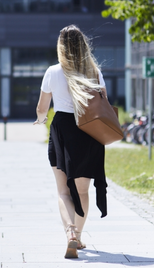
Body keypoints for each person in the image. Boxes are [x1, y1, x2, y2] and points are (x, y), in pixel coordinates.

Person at [34, 25, 108, 259]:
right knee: (83, 191)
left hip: (62, 130)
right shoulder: (94, 72)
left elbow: (42, 108)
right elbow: (104, 103)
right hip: (88, 130)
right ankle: (78, 235)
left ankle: (71, 235)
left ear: (61, 47)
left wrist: (40, 120)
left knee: (64, 191)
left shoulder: (52, 72)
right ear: (83, 45)